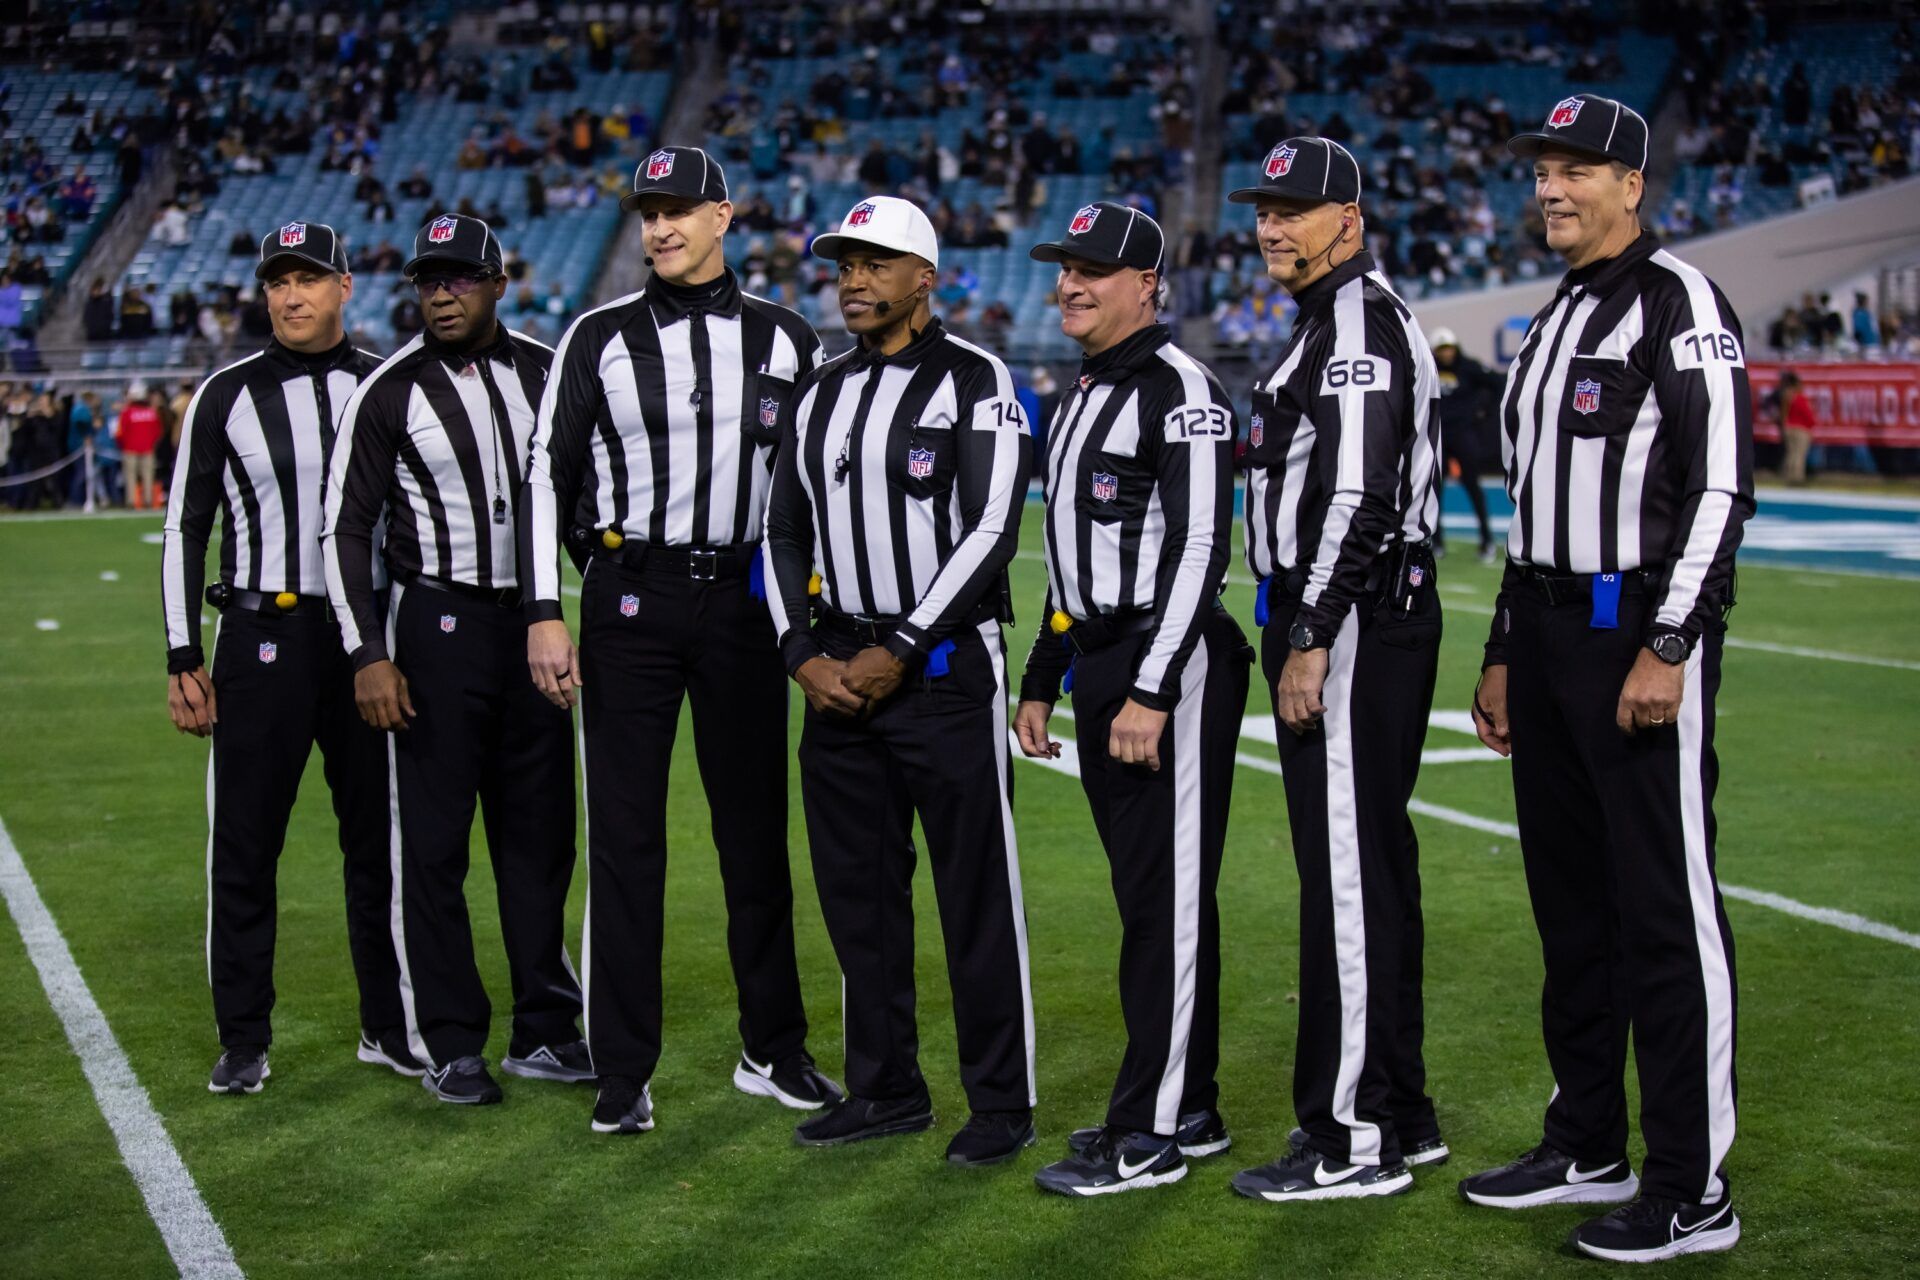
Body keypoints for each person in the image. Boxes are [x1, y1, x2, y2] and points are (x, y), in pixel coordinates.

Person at [1465, 94, 1749, 1264]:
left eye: (1578, 167)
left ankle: (1692, 1185)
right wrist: (1498, 644)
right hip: (1544, 636)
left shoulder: (1680, 299)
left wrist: (1671, 642)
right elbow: (1533, 507)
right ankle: (1587, 1135)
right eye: (1543, 167)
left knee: (1661, 911)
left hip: (1634, 631)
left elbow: (1723, 486)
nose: (1552, 187)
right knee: (1570, 905)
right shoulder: (1550, 316)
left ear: (1633, 183)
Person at [520, 146, 841, 1136]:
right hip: (630, 600)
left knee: (754, 834)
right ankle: (622, 1067)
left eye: (680, 209)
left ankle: (773, 1047)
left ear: (724, 216)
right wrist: (547, 604)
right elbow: (549, 473)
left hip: (747, 605)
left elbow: (818, 488)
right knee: (624, 840)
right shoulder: (598, 334)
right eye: (648, 211)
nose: (660, 227)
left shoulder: (789, 339)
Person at [764, 195, 1038, 1166]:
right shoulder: (818, 394)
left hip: (947, 670)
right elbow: (782, 528)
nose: (852, 280)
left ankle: (1000, 1101)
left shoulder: (978, 382)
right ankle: (885, 1088)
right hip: (839, 669)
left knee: (976, 895)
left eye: (875, 263)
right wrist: (801, 650)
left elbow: (991, 527)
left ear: (926, 276)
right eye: (843, 264)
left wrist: (908, 640)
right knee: (858, 896)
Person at [1010, 202, 1251, 1197]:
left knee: (1168, 903)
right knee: (1152, 898)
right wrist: (1044, 669)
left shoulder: (1181, 389)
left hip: (1171, 663)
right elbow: (1078, 562)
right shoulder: (1080, 391)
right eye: (1065, 268)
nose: (1070, 284)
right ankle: (1186, 1102)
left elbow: (1200, 545)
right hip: (1107, 657)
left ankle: (1149, 1130)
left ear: (1149, 283)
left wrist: (1151, 683)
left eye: (1094, 270)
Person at [1224, 137, 1448, 1204]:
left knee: (1348, 881)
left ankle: (1351, 1137)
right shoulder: (1329, 320)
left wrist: (1310, 630)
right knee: (1370, 868)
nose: (1273, 225)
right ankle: (1401, 1105)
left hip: (1351, 619)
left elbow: (1358, 496)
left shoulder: (1354, 325)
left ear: (1349, 220)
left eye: (1297, 209)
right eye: (1265, 208)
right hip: (1352, 614)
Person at [321, 214, 587, 1106]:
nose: (439, 293)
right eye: (426, 280)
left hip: (533, 627)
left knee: (541, 838)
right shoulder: (388, 389)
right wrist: (366, 651)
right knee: (432, 847)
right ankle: (451, 1041)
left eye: (458, 278)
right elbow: (347, 528)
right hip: (434, 627)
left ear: (497, 282)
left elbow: (587, 498)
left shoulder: (550, 373)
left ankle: (545, 1029)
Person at [160, 221, 409, 1094]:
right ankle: (243, 1036)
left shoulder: (387, 383)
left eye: (308, 279)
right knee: (244, 845)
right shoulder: (225, 394)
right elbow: (185, 527)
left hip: (365, 645)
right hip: (260, 639)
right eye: (277, 282)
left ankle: (388, 1025)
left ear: (346, 286)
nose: (290, 296)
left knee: (378, 844)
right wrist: (181, 651)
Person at [1427, 327, 1499, 562]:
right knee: (1434, 491)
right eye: (1441, 349)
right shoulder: (1428, 369)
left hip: (1463, 435)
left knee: (1473, 487)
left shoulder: (1468, 367)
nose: (1446, 354)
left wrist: (1484, 412)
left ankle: (1487, 540)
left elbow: (1497, 383)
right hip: (1439, 437)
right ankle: (1435, 541)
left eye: (1449, 348)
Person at [117, 381, 163, 508]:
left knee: (130, 477)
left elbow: (119, 433)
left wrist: (124, 446)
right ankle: (148, 500)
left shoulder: (126, 413)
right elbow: (158, 432)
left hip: (130, 450)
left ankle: (131, 501)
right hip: (148, 449)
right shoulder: (152, 412)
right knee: (148, 476)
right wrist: (152, 445)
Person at [1779, 370, 1816, 485]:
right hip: (1801, 429)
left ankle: (1789, 476)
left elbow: (1783, 414)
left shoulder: (1786, 395)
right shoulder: (1799, 398)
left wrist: (1785, 425)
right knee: (1798, 455)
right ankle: (1796, 478)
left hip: (1790, 427)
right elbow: (1807, 414)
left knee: (1791, 454)